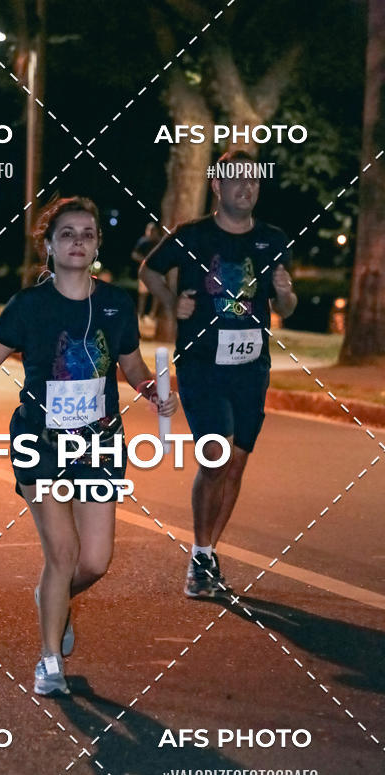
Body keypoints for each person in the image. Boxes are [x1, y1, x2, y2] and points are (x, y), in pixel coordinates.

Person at [0, 197, 178, 695]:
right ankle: (49, 660)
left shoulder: (117, 304)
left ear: (98, 244)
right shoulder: (28, 306)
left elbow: (133, 368)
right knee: (63, 552)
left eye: (87, 233)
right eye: (67, 234)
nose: (78, 241)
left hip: (100, 444)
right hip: (41, 443)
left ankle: (50, 600)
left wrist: (155, 394)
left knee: (95, 561)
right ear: (49, 245)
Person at [139, 150, 297, 599]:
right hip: (202, 365)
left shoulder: (272, 240)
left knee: (237, 462)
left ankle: (206, 553)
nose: (245, 188)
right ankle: (201, 557)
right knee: (217, 457)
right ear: (217, 186)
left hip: (251, 369)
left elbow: (286, 305)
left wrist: (285, 297)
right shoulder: (192, 235)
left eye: (253, 181)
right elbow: (148, 269)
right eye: (235, 181)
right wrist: (172, 304)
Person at [131, 222, 162, 325]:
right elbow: (134, 254)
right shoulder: (143, 241)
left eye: (152, 231)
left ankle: (152, 314)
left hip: (157, 272)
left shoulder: (159, 242)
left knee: (157, 293)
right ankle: (141, 314)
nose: (150, 233)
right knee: (143, 294)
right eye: (148, 230)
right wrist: (143, 259)